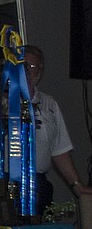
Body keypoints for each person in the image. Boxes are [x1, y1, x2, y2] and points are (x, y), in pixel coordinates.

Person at [23, 45, 92, 214]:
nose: (27, 71)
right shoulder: (1, 101)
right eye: (23, 65)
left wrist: (76, 185)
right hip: (8, 181)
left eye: (32, 67)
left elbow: (59, 150)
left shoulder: (49, 104)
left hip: (39, 184)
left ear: (39, 73)